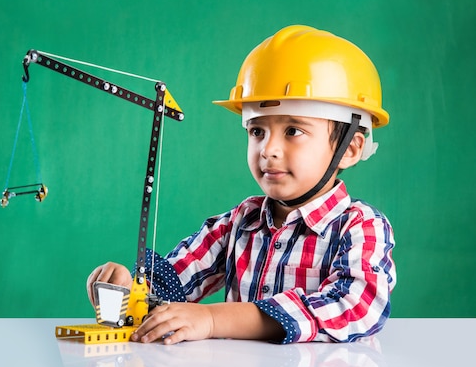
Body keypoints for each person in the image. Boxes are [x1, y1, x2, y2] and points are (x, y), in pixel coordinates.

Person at [86, 24, 396, 345]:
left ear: (350, 148)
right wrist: (131, 289)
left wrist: (212, 318)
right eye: (257, 131)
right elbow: (176, 280)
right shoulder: (240, 222)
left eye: (293, 131)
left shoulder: (360, 227)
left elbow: (354, 305)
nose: (268, 149)